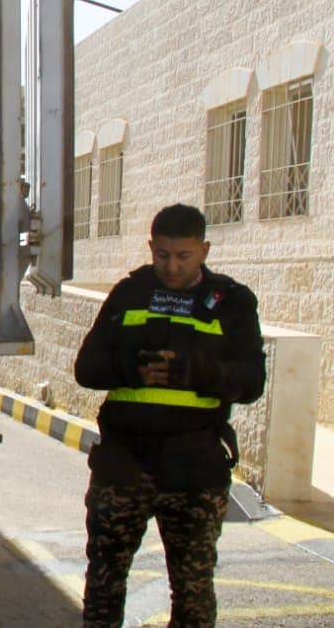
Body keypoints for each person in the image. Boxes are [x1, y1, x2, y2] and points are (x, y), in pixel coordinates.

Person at [75, 203, 265, 627]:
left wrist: (192, 372)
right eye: (163, 255)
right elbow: (86, 368)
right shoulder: (129, 293)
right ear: (151, 248)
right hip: (124, 465)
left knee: (192, 593)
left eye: (183, 256)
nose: (172, 267)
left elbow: (252, 382)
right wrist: (132, 368)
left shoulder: (232, 302)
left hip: (193, 468)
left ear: (204, 250)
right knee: (104, 584)